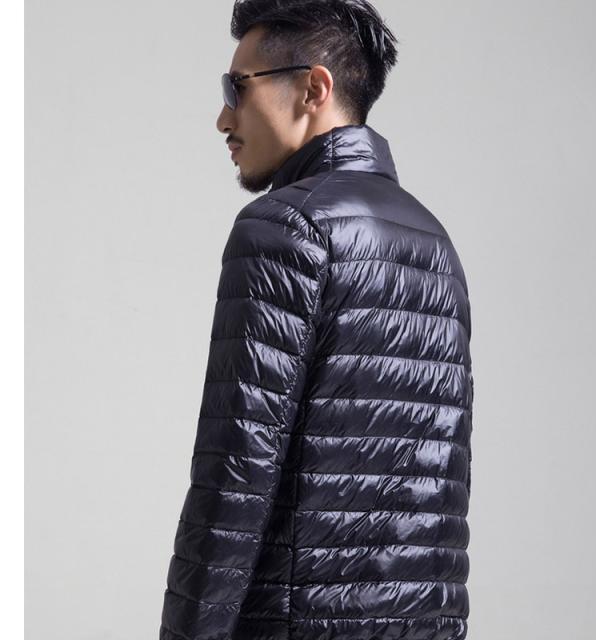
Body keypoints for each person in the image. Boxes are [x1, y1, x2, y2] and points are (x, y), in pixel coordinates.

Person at [159, 1, 474, 639]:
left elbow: (235, 477)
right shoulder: (436, 243)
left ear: (313, 88)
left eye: (236, 88)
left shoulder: (283, 226)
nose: (223, 117)